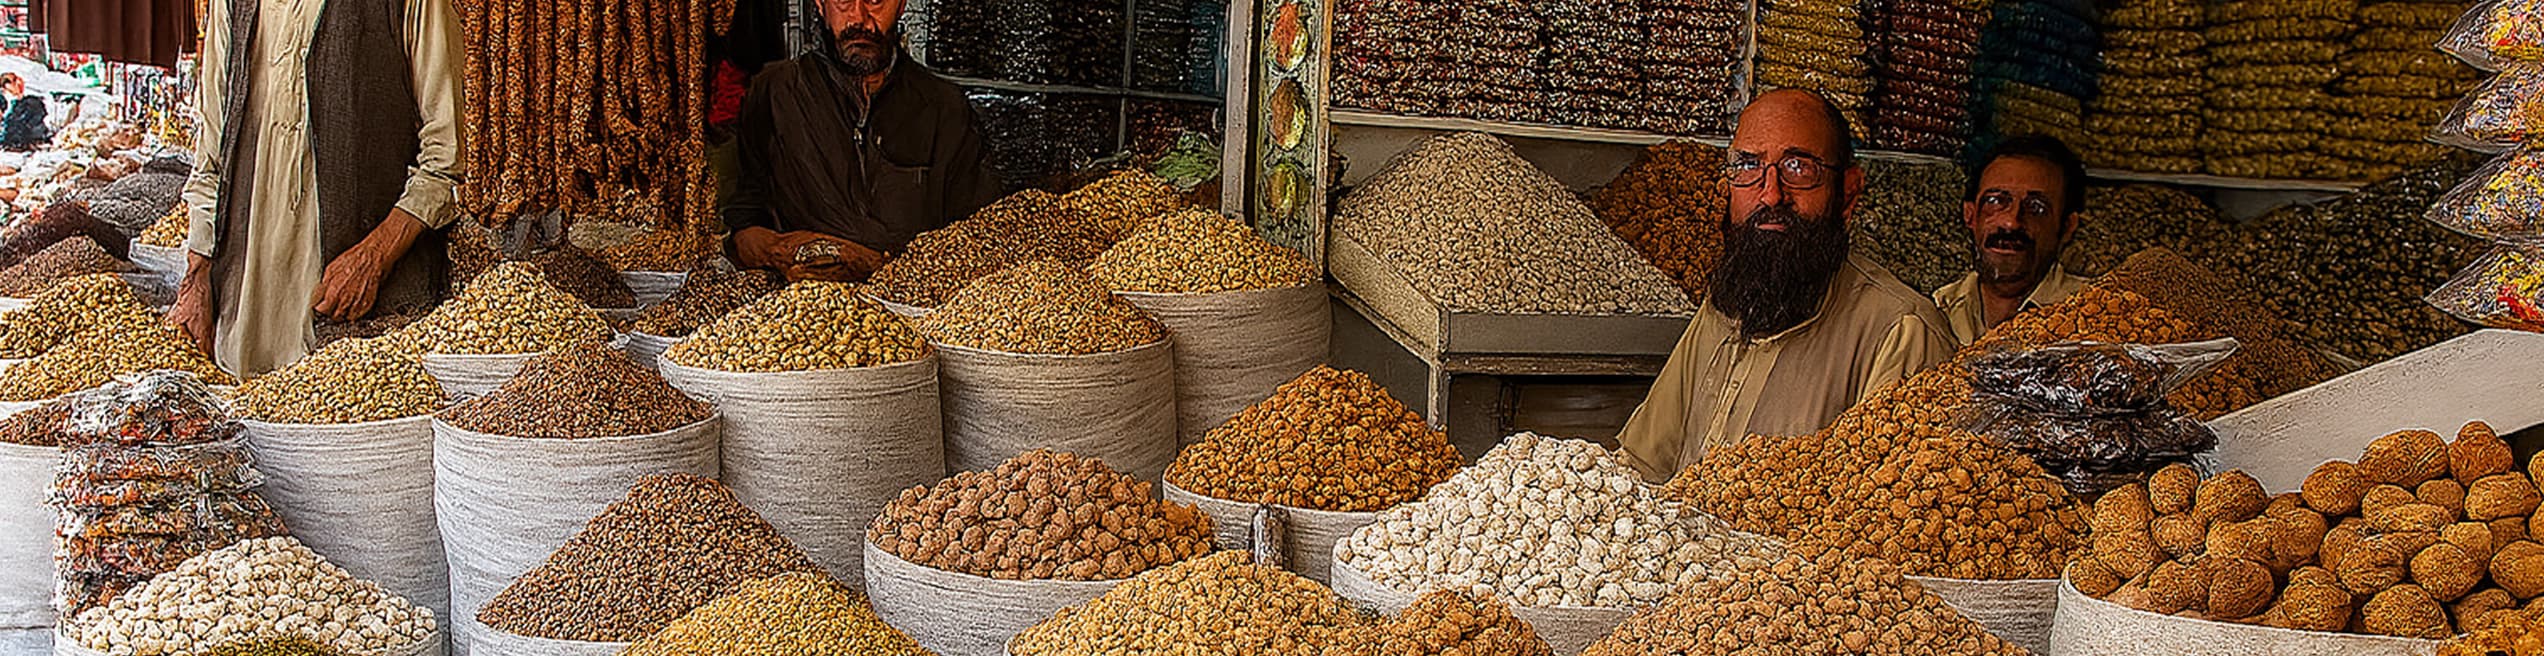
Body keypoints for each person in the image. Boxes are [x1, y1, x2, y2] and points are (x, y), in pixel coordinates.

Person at [1613, 89, 1957, 483]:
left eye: (1798, 167)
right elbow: (1644, 464)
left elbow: (1876, 526)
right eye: (1748, 165)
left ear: (1847, 193)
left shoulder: (1902, 332)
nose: (1771, 193)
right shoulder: (1729, 299)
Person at [170, 0, 467, 375]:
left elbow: (447, 158)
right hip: (242, 304)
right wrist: (196, 274)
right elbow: (211, 147)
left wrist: (376, 256)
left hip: (356, 318)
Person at [721, 0, 1001, 283]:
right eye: (843, 1)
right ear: (820, 4)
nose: (859, 18)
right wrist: (779, 251)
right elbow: (744, 224)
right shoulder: (775, 92)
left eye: (876, 1)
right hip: (798, 310)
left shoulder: (944, 107)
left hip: (913, 310)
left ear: (901, 5)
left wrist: (873, 265)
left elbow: (974, 244)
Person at [1930, 135, 2093, 346]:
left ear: (2066, 227)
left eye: (2036, 207)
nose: (2011, 222)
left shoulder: (2093, 314)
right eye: (1995, 201)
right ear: (1970, 215)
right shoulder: (1937, 311)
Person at [0, 74, 50, 151]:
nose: (19, 82)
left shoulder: (33, 102)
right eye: (14, 81)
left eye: (17, 79)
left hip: (31, 142)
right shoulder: (9, 107)